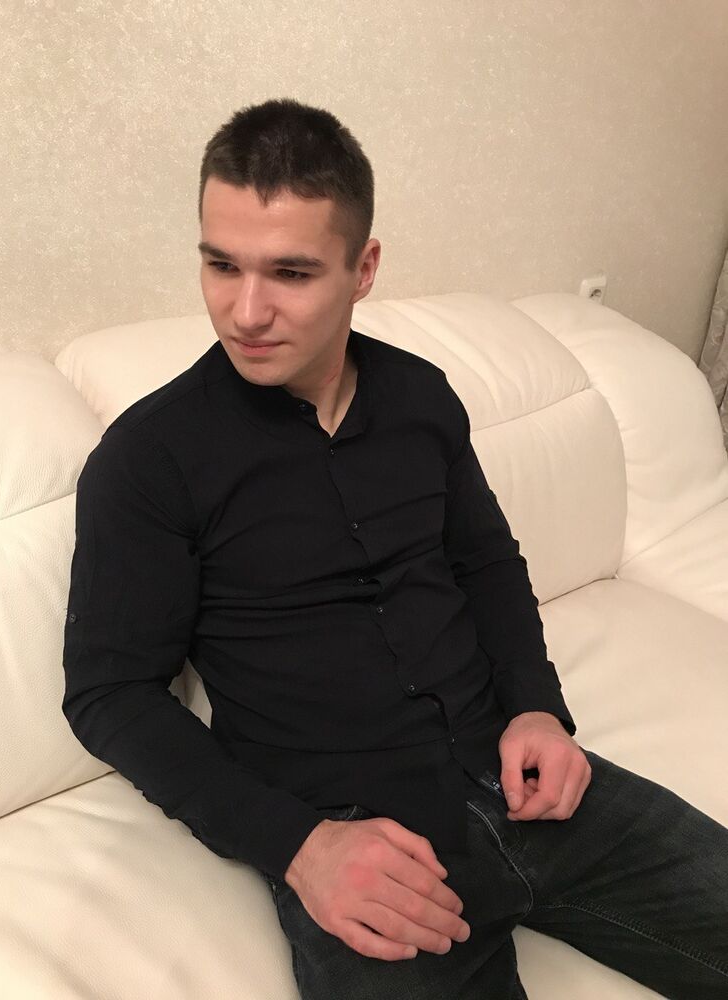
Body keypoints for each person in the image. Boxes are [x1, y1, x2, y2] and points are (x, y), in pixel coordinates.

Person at [62, 98, 728, 999]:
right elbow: (109, 694)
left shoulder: (421, 397)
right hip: (351, 839)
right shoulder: (148, 459)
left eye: (291, 272)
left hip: (515, 771)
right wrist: (300, 849)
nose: (245, 311)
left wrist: (538, 710)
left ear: (363, 268)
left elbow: (486, 562)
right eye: (221, 265)